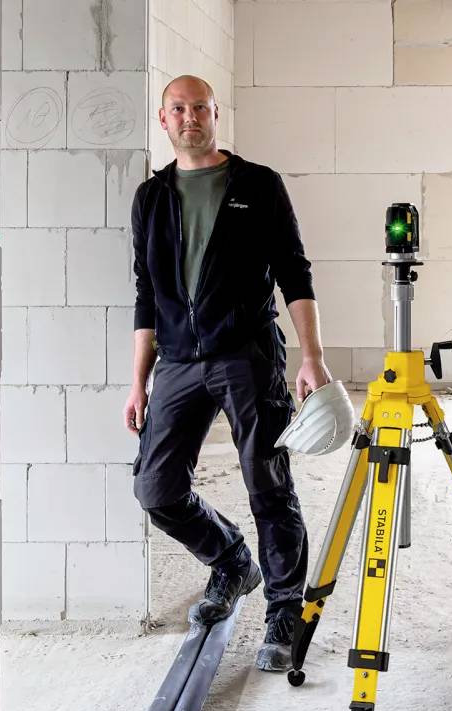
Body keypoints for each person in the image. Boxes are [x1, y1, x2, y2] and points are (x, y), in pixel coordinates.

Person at [123, 74, 332, 672]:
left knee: (267, 482)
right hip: (179, 363)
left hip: (246, 355)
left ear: (216, 114)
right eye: (178, 109)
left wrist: (312, 356)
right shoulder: (151, 197)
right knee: (157, 489)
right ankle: (233, 561)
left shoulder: (258, 185)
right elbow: (147, 295)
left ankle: (284, 609)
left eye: (200, 108)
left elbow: (295, 273)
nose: (190, 117)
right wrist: (139, 380)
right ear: (164, 119)